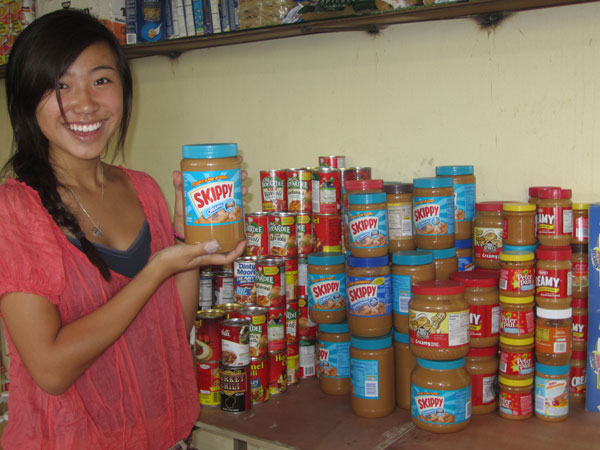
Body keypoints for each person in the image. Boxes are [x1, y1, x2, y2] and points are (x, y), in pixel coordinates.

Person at [0, 9, 246, 450]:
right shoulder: (16, 210)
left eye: (101, 80)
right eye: (61, 85)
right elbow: (51, 371)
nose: (85, 104)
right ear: (26, 98)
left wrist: (188, 244)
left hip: (160, 436)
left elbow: (170, 332)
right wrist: (155, 270)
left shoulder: (143, 189)